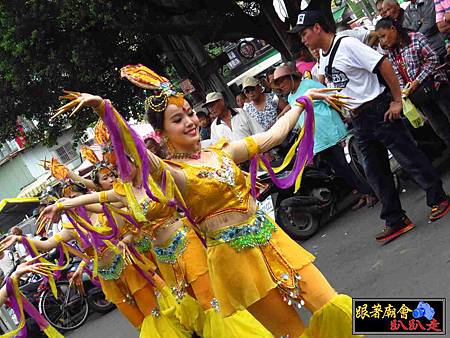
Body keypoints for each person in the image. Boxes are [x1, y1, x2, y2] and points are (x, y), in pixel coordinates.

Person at [43, 75, 360, 337]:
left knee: (333, 304)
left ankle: (407, 321)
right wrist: (106, 110)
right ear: (162, 133)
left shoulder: (220, 150)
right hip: (235, 262)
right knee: (292, 334)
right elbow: (135, 155)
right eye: (177, 120)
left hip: (273, 240)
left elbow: (270, 138)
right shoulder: (171, 172)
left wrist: (302, 103)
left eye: (190, 114)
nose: (191, 122)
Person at [291, 9, 449, 243]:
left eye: (304, 33)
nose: (303, 39)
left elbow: (383, 64)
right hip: (358, 120)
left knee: (409, 158)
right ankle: (395, 220)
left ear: (317, 28)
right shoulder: (323, 57)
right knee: (375, 173)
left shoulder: (347, 44)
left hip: (378, 109)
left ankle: (439, 199)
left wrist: (397, 100)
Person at [273, 64, 377, 209]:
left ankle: (370, 192)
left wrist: (342, 116)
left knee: (349, 166)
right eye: (277, 83)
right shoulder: (291, 97)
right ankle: (363, 192)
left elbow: (331, 99)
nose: (280, 86)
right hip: (318, 141)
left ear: (291, 77)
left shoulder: (309, 85)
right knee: (339, 171)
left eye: (281, 81)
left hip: (332, 133)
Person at [376, 17, 450, 148]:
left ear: (392, 29)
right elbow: (397, 74)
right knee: (441, 129)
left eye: (383, 36)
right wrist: (403, 91)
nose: (383, 41)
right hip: (420, 97)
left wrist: (417, 81)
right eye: (380, 38)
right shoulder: (392, 52)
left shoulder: (415, 38)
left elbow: (433, 59)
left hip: (437, 87)